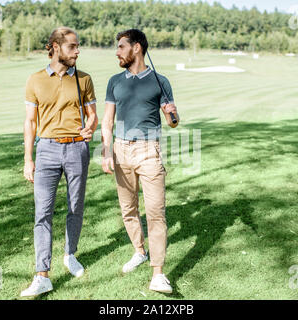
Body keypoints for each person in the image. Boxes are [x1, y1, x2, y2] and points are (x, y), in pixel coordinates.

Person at [101, 29, 179, 294]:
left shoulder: (160, 81)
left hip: (149, 151)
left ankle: (158, 273)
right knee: (128, 208)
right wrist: (105, 150)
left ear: (136, 48)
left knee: (156, 212)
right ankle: (139, 251)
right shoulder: (114, 81)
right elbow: (107, 120)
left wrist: (172, 114)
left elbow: (173, 122)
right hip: (121, 150)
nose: (117, 52)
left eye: (121, 46)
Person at [21, 27, 98, 297]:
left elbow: (93, 116)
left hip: (77, 149)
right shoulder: (35, 80)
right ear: (55, 47)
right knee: (42, 212)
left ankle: (70, 254)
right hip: (47, 151)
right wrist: (28, 159)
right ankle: (42, 274)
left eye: (78, 46)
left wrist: (89, 128)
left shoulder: (84, 79)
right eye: (72, 46)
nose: (77, 51)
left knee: (75, 206)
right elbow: (30, 122)